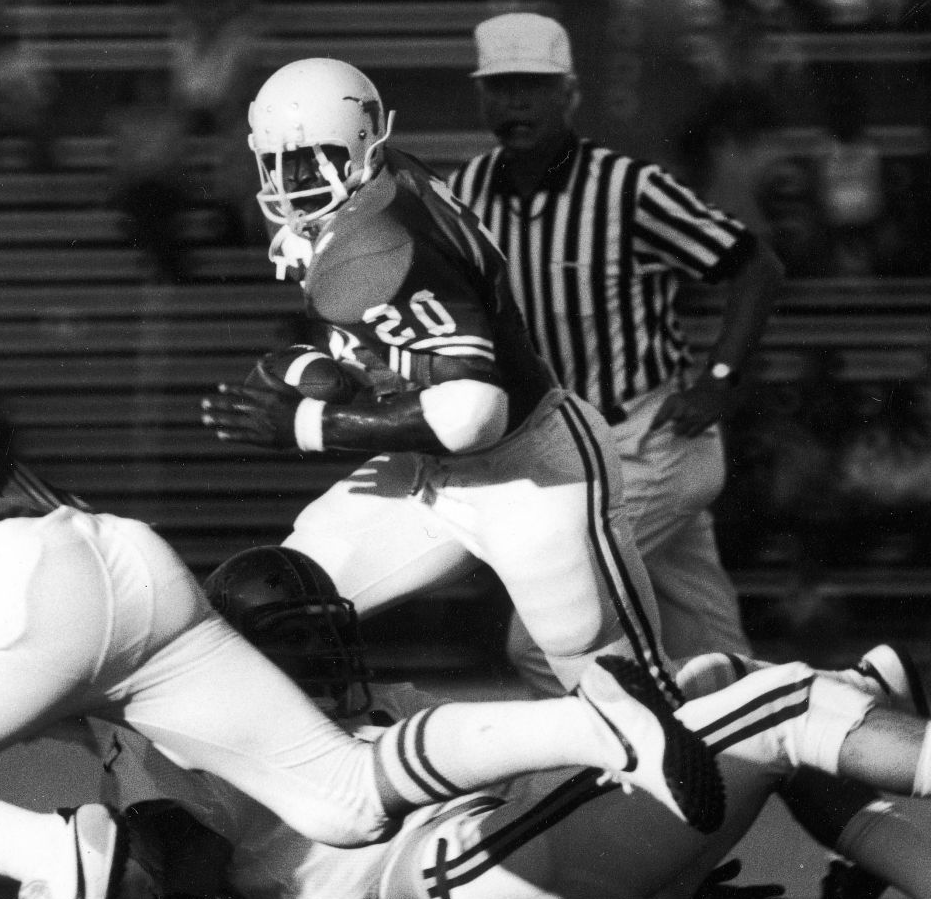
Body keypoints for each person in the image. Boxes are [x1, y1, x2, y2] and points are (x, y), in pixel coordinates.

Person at [0, 287, 740, 899]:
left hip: (25, 591)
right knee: (340, 791)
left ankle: (55, 855)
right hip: (121, 565)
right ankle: (598, 720)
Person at [127, 548, 931, 899]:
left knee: (722, 690)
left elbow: (540, 784)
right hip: (447, 887)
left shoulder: (396, 703)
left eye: (327, 636)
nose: (326, 659)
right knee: (786, 703)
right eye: (294, 644)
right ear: (243, 658)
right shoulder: (197, 743)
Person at [201, 56, 685, 717]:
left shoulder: (374, 244)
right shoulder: (370, 189)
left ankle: (796, 710)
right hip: (429, 470)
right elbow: (390, 348)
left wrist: (304, 425)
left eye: (314, 161)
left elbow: (471, 413)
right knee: (275, 603)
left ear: (363, 146)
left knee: (628, 699)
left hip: (530, 471)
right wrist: (315, 368)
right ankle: (380, 760)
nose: (294, 183)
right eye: (279, 164)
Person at [447, 14, 782, 676]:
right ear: (481, 95)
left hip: (647, 441)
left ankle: (640, 771)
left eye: (532, 86)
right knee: (715, 660)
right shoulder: (464, 195)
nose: (515, 103)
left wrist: (720, 375)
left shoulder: (627, 189)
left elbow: (754, 265)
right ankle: (834, 721)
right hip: (565, 460)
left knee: (545, 640)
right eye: (501, 87)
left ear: (568, 94)